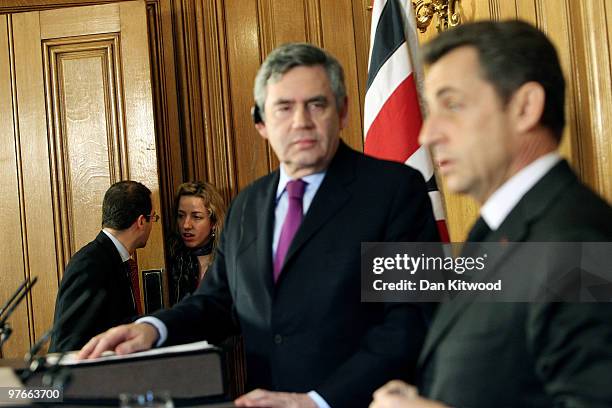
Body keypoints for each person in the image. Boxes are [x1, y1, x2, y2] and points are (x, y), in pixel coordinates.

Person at [78, 43, 439, 407]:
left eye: (317, 104)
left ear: (343, 111)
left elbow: (408, 322)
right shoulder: (247, 205)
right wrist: (152, 328)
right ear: (261, 123)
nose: (301, 121)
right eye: (284, 107)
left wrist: (317, 401)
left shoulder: (395, 191)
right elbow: (218, 303)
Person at [370, 20, 612, 408]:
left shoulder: (577, 240)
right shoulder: (496, 230)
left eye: (452, 105)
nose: (426, 135)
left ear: (524, 107)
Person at [49, 180, 158, 352]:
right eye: (153, 218)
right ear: (141, 221)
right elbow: (66, 343)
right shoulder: (88, 264)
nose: (153, 225)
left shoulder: (114, 259)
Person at [168, 181, 226, 305]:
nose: (186, 225)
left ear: (214, 223)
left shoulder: (228, 262)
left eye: (196, 217)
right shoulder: (170, 260)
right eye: (181, 216)